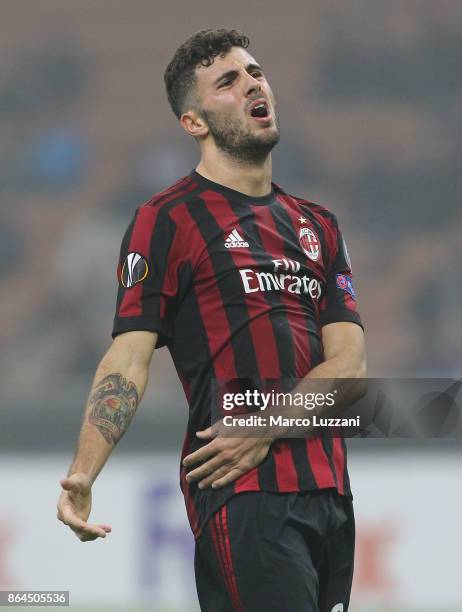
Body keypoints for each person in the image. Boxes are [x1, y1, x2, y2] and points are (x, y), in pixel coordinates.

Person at [57, 28, 366, 612]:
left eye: (254, 72)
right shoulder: (166, 220)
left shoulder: (318, 224)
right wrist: (84, 472)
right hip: (243, 495)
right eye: (228, 81)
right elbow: (127, 358)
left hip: (330, 494)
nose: (253, 83)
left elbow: (350, 367)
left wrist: (268, 422)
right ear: (194, 122)